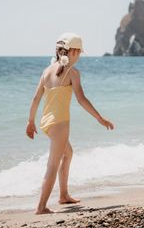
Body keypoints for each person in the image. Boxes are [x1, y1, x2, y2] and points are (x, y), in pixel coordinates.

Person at [26, 33, 114, 214]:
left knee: (68, 153)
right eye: (79, 52)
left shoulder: (47, 71)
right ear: (72, 52)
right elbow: (82, 100)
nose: (79, 56)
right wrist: (100, 118)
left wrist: (31, 122)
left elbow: (36, 98)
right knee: (52, 165)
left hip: (47, 123)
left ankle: (64, 195)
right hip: (60, 124)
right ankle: (41, 207)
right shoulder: (72, 73)